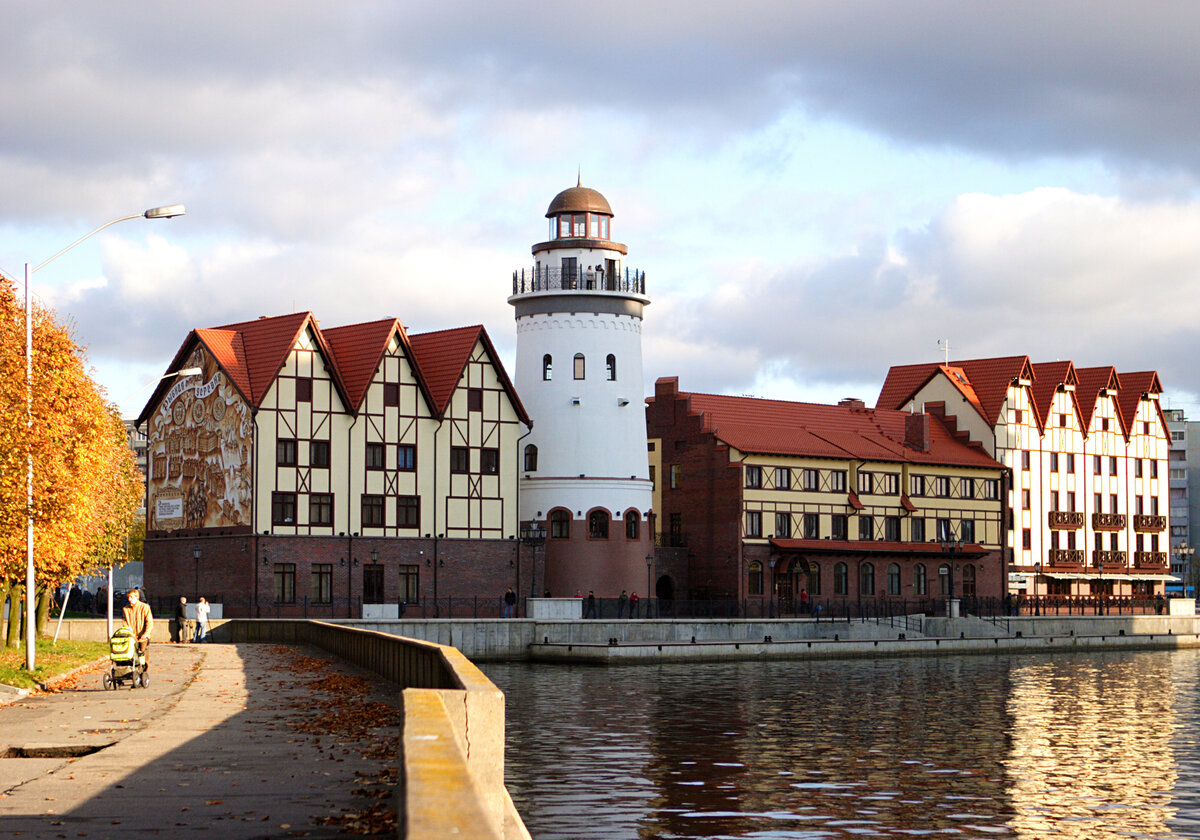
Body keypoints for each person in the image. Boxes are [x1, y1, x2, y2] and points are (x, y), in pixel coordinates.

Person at [122, 588, 154, 661]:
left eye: (131, 597)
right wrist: (129, 631)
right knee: (131, 655)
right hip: (132, 635)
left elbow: (149, 621)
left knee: (143, 655)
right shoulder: (126, 609)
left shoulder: (145, 607)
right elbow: (124, 622)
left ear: (137, 597)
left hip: (143, 635)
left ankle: (143, 669)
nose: (129, 599)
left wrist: (146, 633)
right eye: (128, 597)